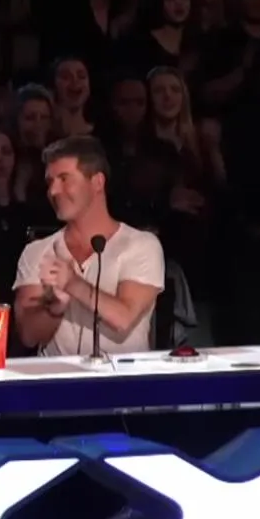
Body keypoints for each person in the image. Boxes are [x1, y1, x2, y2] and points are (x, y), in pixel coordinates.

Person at [13, 136, 165, 357]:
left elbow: (123, 318)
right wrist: (54, 307)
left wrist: (73, 284)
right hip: (58, 376)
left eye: (64, 179)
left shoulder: (141, 245)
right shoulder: (37, 252)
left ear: (97, 182)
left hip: (122, 376)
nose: (53, 191)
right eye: (50, 182)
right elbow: (28, 335)